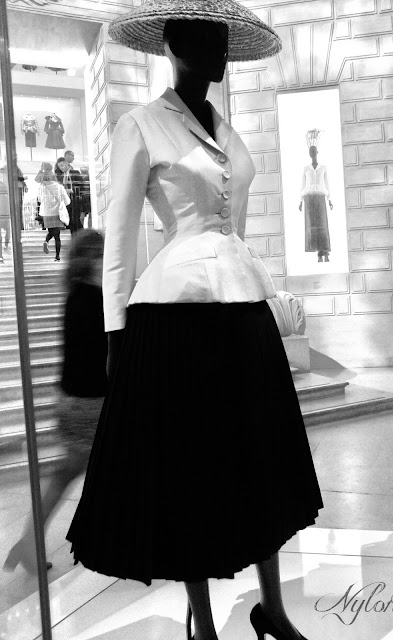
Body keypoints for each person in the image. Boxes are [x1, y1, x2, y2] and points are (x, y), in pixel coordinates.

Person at [66, 6, 323, 640]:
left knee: (258, 459)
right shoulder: (142, 124)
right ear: (174, 47)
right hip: (176, 318)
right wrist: (115, 330)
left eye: (224, 41)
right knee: (192, 468)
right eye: (208, 39)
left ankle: (271, 609)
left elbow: (234, 223)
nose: (220, 51)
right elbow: (121, 232)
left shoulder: (225, 128)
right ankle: (204, 626)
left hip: (242, 308)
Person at [3, 229, 107, 574]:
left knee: (67, 472)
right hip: (90, 403)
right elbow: (99, 358)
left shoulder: (76, 296)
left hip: (74, 400)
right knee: (78, 471)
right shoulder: (94, 299)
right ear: (91, 260)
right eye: (102, 254)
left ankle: (29, 542)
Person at [299, 142, 334, 263]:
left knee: (322, 225)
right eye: (311, 152)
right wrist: (301, 201)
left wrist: (329, 199)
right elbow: (302, 185)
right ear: (309, 154)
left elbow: (327, 184)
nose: (312, 154)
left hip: (320, 198)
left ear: (317, 152)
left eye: (314, 152)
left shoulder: (323, 168)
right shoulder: (306, 169)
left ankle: (325, 251)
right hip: (309, 199)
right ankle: (319, 253)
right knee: (313, 226)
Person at [36, 162, 70, 261]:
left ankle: (46, 242)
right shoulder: (60, 187)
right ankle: (57, 256)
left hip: (47, 214)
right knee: (57, 236)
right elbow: (67, 201)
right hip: (57, 213)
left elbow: (39, 199)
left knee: (51, 231)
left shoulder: (42, 187)